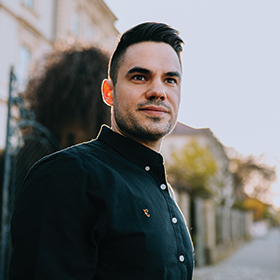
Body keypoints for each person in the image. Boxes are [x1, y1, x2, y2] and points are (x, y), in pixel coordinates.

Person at [9, 22, 194, 280]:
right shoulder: (69, 175)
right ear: (109, 92)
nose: (158, 91)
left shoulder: (163, 190)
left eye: (170, 80)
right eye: (140, 77)